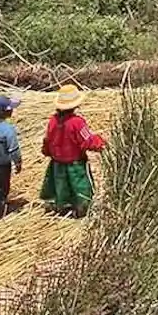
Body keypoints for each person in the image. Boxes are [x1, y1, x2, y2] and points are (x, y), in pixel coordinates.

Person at [40, 85, 105, 218]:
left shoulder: (53, 120)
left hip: (57, 162)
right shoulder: (77, 122)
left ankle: (61, 206)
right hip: (75, 163)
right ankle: (82, 209)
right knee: (80, 186)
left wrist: (46, 151)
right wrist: (101, 143)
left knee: (60, 184)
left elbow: (48, 139)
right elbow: (87, 140)